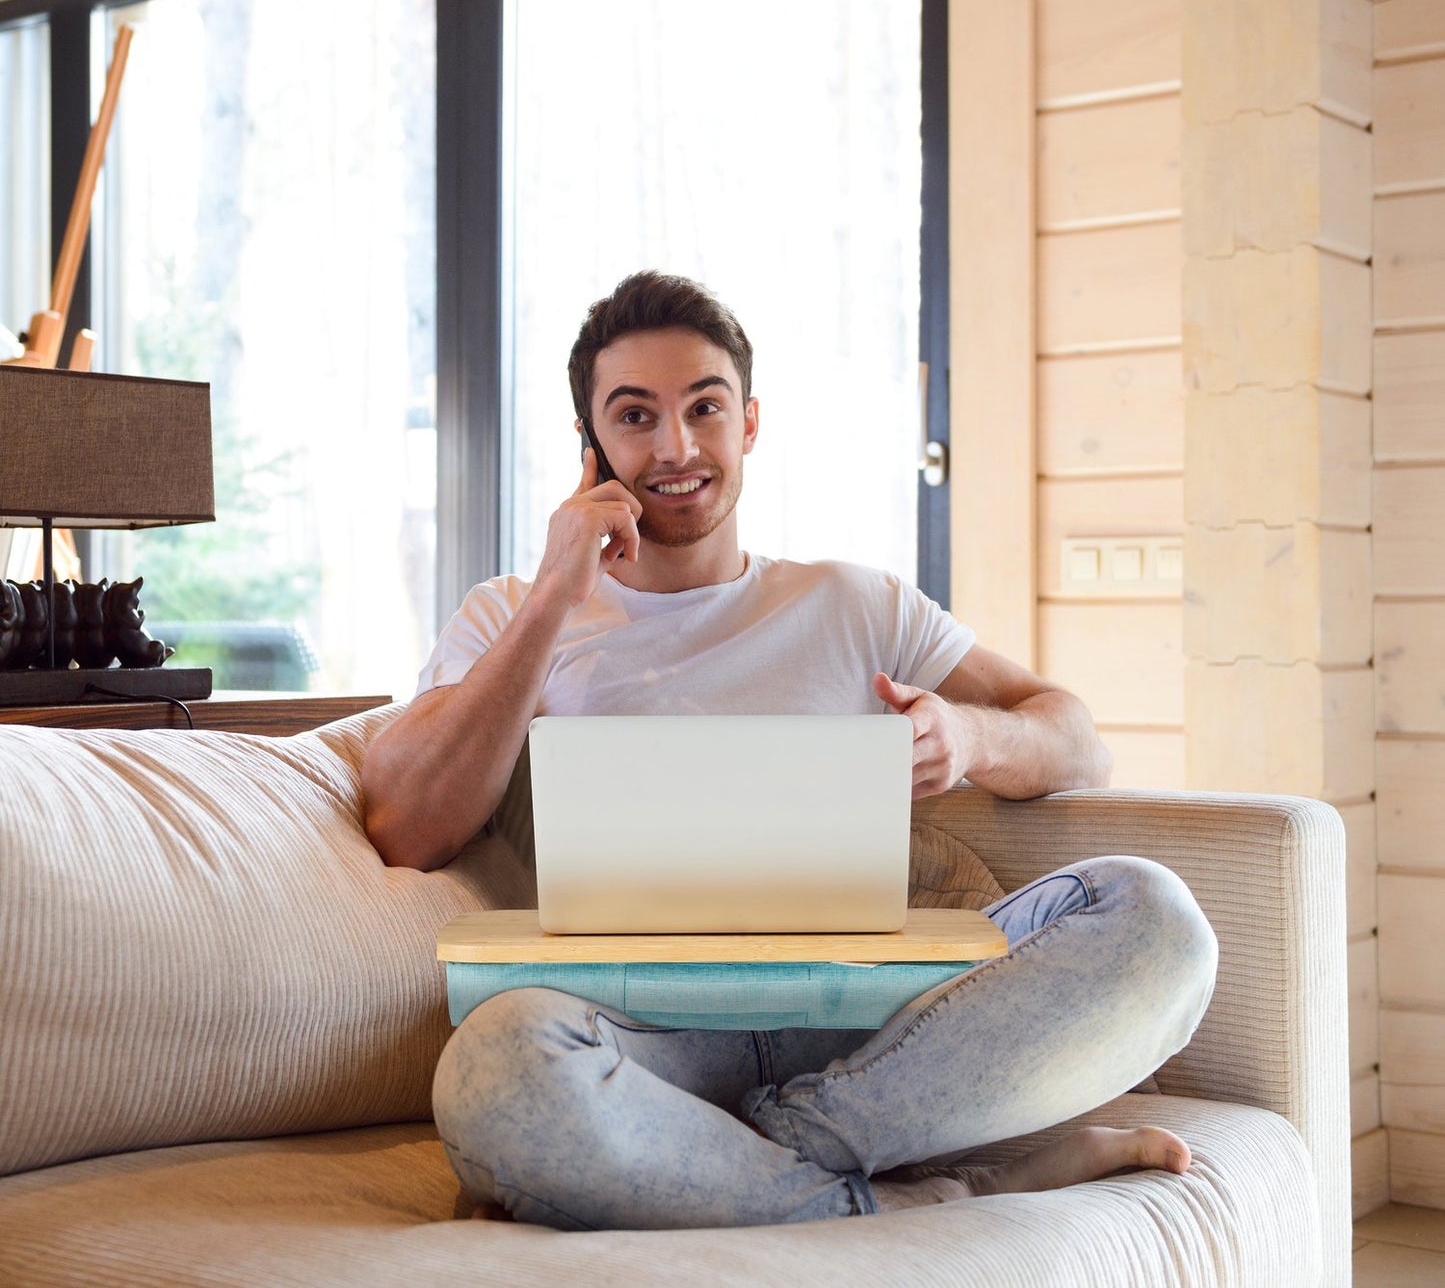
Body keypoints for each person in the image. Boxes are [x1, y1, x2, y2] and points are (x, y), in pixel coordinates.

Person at [362, 270, 1218, 1231]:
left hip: (881, 1031)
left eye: (705, 408)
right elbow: (407, 825)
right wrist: (555, 592)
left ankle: (741, 1157)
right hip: (645, 1043)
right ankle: (942, 1185)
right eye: (635, 415)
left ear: (750, 423)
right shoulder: (511, 615)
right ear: (590, 444)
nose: (676, 447)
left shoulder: (857, 602)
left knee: (1155, 915)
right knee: (493, 1071)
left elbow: (1076, 739)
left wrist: (970, 733)